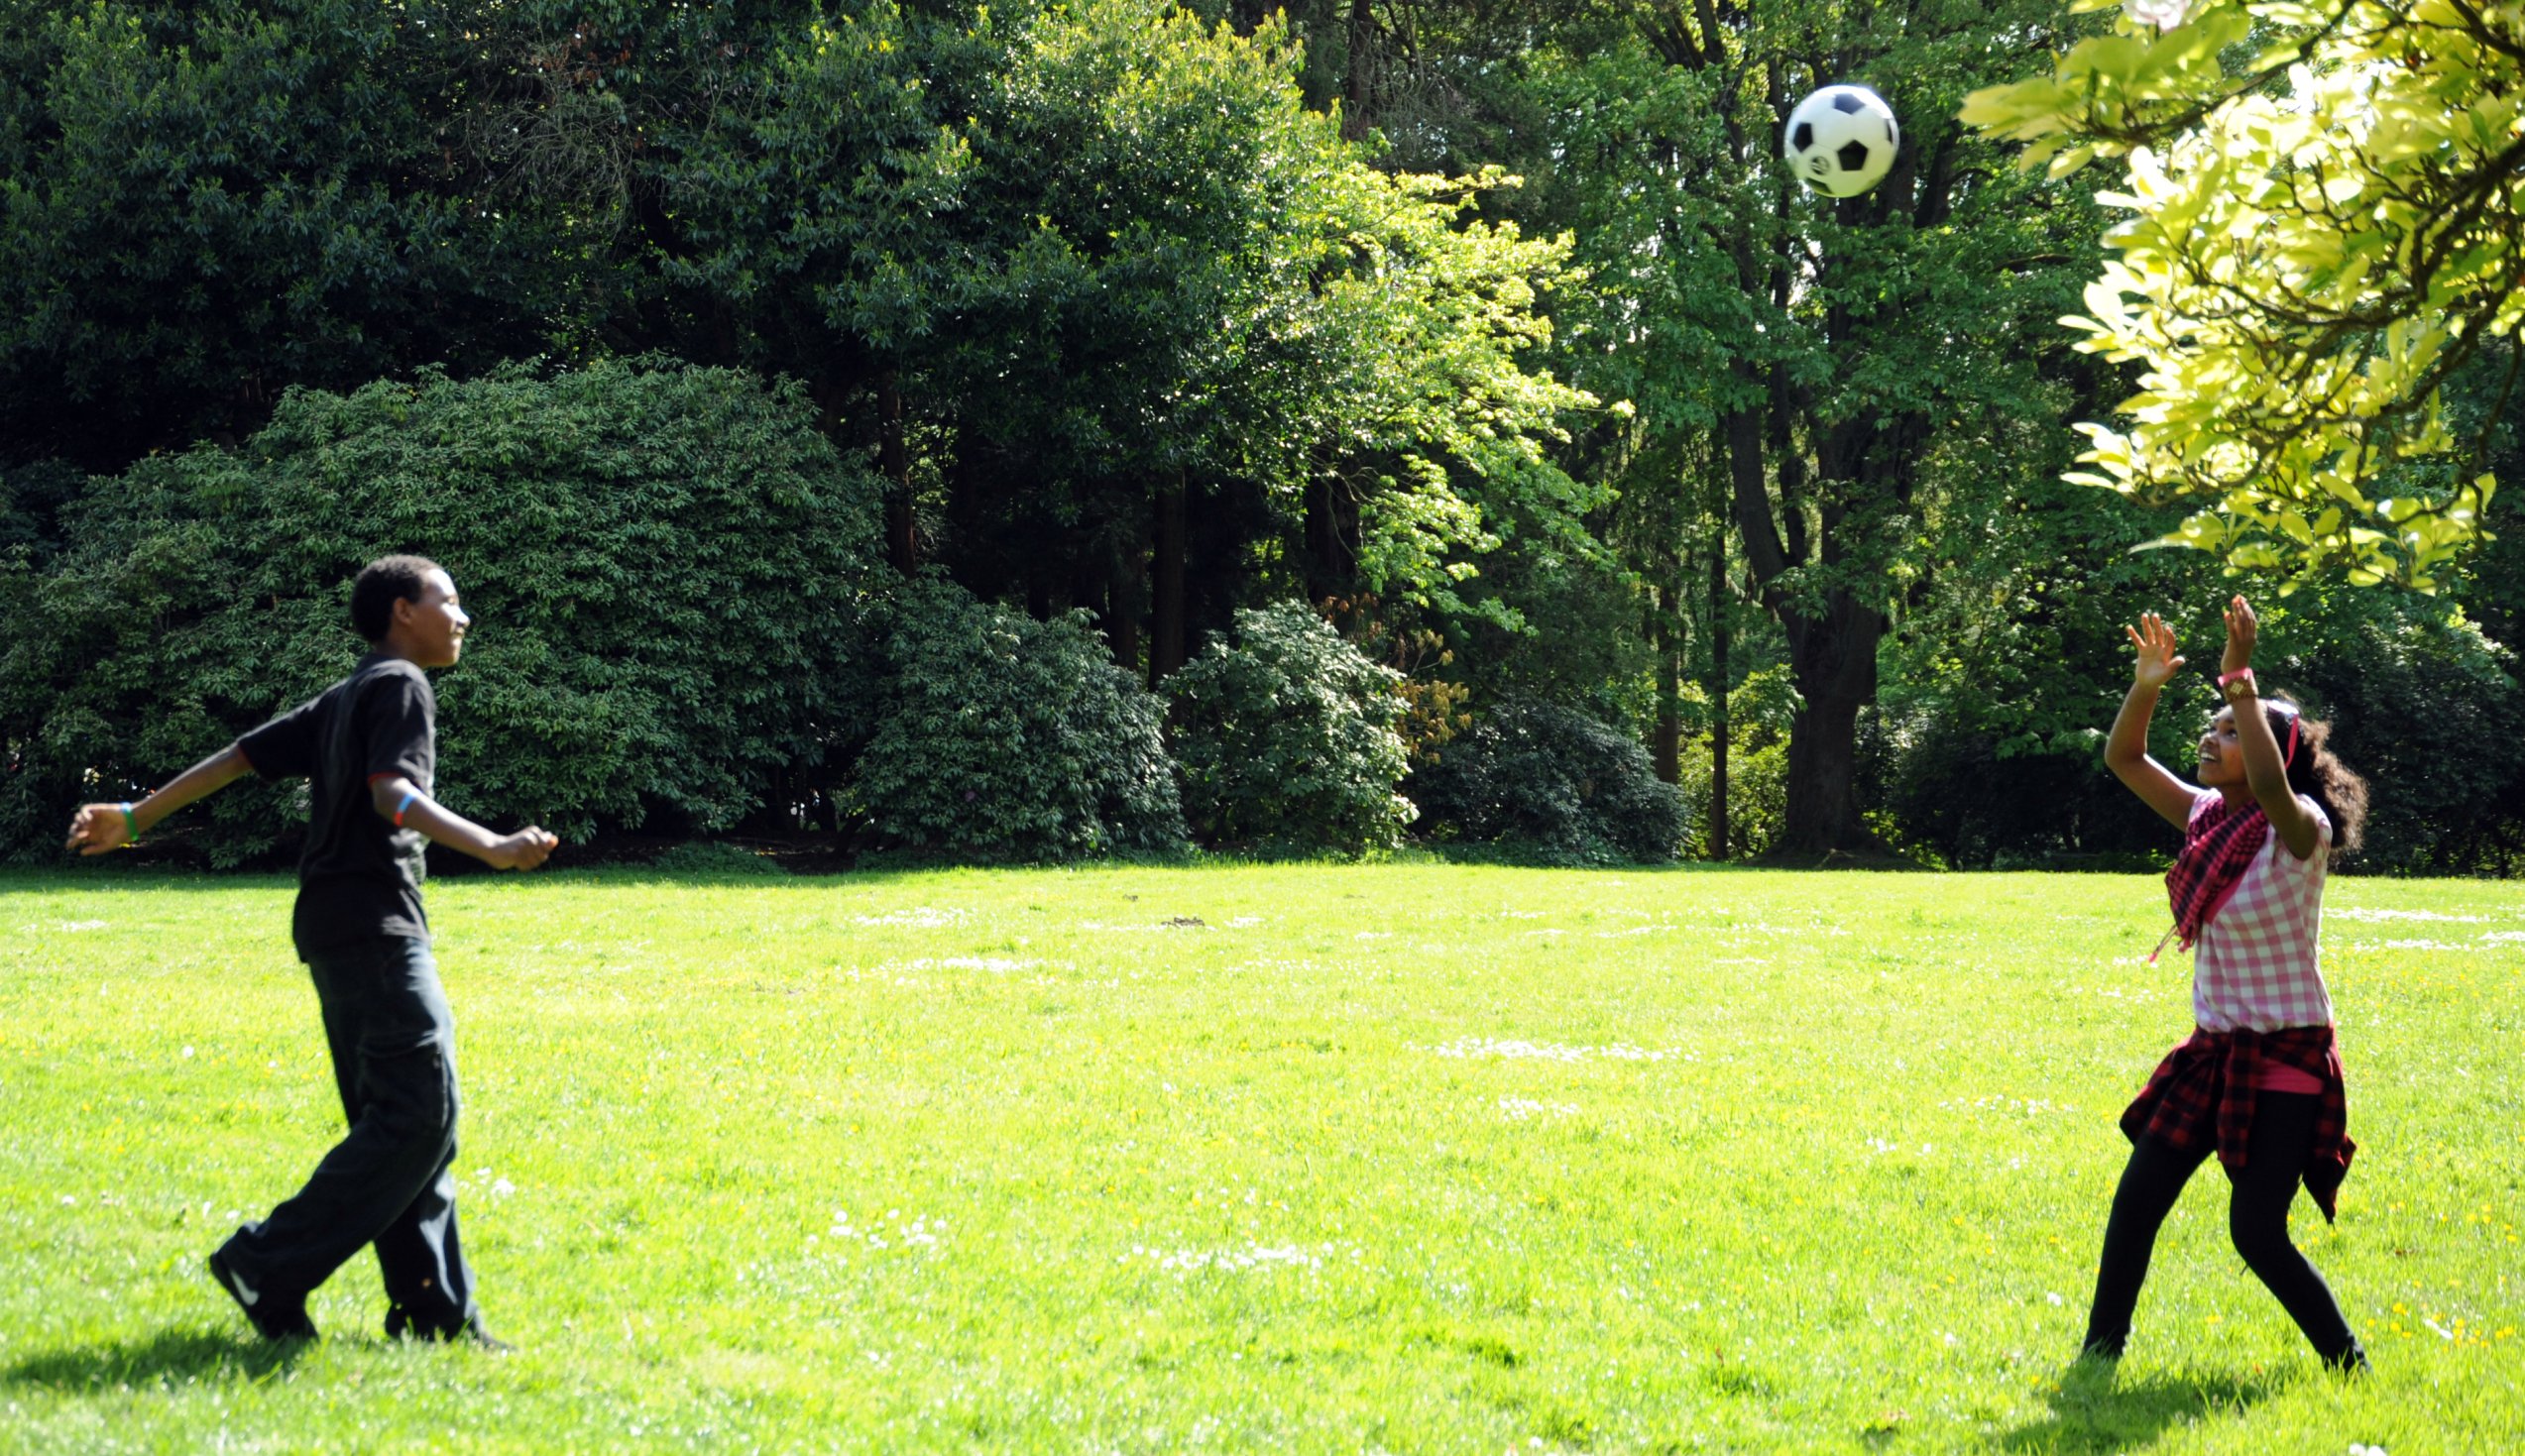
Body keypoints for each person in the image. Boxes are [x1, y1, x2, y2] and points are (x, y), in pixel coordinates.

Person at [64, 555, 557, 1346]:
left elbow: (237, 758)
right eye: (450, 601)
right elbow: (392, 793)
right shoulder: (399, 685)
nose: (463, 617)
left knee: (399, 1118)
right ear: (403, 610)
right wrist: (492, 844)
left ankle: (434, 1314)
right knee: (420, 1112)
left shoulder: (342, 696)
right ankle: (269, 1261)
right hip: (375, 924)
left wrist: (135, 813)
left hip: (330, 928)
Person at [2081, 595, 2371, 1372]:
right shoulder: (2208, 816)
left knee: (2255, 1231)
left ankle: (2347, 1362)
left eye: (2227, 731)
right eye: (2208, 726)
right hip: (2211, 1053)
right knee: (2135, 1201)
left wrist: (2239, 678)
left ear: (2270, 750)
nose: (2210, 738)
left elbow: (2275, 793)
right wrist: (2146, 684)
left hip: (2284, 1058)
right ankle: (2097, 1356)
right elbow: (2124, 760)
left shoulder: (2298, 826)